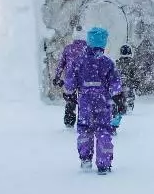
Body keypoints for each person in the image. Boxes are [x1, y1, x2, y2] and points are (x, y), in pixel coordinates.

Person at [64, 26, 126, 175]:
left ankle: (85, 158)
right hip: (103, 102)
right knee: (104, 130)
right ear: (103, 43)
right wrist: (118, 96)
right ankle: (104, 163)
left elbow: (70, 79)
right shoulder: (107, 63)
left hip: (85, 100)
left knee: (85, 129)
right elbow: (115, 82)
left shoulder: (78, 61)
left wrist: (69, 92)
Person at [53, 25, 88, 128]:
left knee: (70, 101)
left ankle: (69, 121)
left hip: (70, 78)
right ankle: (83, 122)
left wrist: (57, 77)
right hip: (84, 80)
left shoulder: (68, 49)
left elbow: (61, 65)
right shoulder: (88, 50)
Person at [110, 44, 138, 134]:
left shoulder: (117, 62)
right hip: (128, 84)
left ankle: (121, 109)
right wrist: (135, 83)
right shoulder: (132, 63)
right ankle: (128, 107)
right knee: (129, 95)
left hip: (118, 85)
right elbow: (135, 75)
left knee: (119, 99)